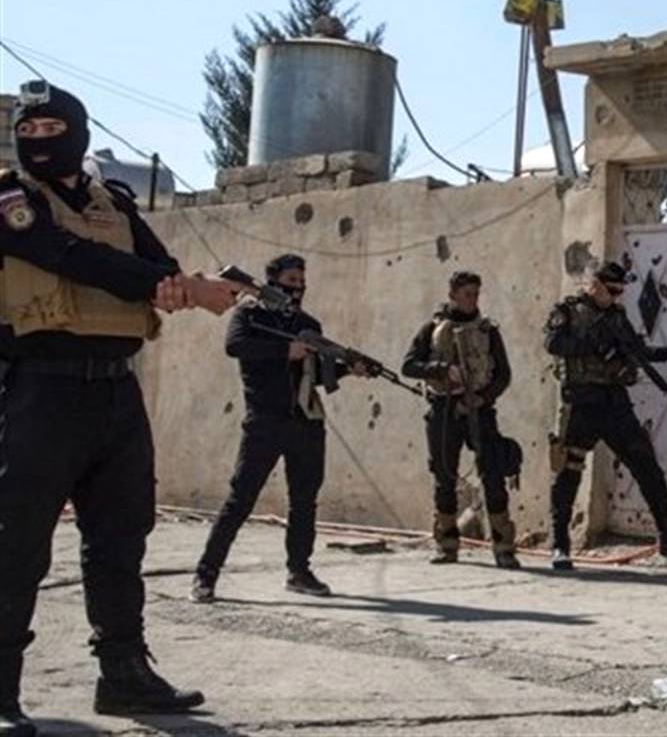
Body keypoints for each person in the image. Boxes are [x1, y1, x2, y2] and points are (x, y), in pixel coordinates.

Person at [0, 82, 245, 736]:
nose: (39, 142)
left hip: (115, 391)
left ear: (78, 132)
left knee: (119, 538)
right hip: (39, 390)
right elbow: (66, 256)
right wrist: (188, 288)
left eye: (53, 130)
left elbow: (156, 265)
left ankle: (124, 675)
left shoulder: (115, 203)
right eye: (29, 131)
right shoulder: (10, 198)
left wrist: (181, 285)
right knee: (16, 543)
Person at [190, 254, 366, 604]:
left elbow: (315, 375)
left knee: (304, 501)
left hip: (306, 421)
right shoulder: (249, 315)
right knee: (240, 499)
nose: (298, 287)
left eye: (301, 281)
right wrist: (285, 350)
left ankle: (299, 571)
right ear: (272, 282)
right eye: (291, 280)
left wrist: (350, 368)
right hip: (265, 421)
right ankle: (205, 575)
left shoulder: (307, 323)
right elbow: (235, 346)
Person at [543, 261, 667, 570]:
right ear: (594, 285)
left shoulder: (617, 317)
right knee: (568, 472)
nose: (616, 296)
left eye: (620, 291)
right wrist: (594, 345)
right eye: (611, 290)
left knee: (647, 467)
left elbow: (639, 352)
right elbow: (553, 343)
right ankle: (560, 545)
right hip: (581, 403)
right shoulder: (568, 312)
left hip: (614, 403)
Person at [400, 271, 523, 569]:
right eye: (467, 294)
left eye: (476, 294)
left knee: (493, 475)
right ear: (453, 294)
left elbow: (503, 374)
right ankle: (446, 544)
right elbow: (409, 366)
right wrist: (442, 370)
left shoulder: (487, 330)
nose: (472, 300)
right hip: (443, 410)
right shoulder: (432, 328)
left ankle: (504, 547)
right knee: (444, 476)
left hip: (479, 410)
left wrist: (483, 398)